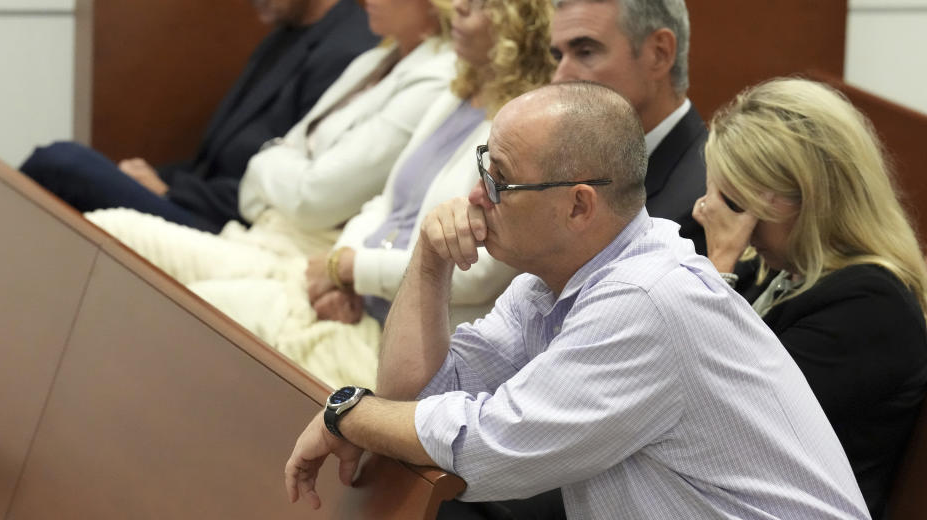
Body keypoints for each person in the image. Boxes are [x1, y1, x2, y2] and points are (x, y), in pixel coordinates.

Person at [283, 81, 871, 520]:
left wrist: (347, 411)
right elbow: (417, 398)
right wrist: (429, 260)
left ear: (579, 206)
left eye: (499, 181)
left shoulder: (646, 300)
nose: (475, 197)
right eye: (483, 168)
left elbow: (488, 449)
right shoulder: (548, 287)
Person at [82, 0, 483, 388]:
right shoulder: (374, 61)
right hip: (262, 237)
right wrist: (282, 167)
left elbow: (317, 198)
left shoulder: (438, 77)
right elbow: (275, 177)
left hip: (294, 258)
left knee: (152, 305)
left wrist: (281, 168)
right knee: (101, 234)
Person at [20, 0, 377, 233]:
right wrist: (153, 179)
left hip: (234, 228)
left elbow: (300, 191)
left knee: (60, 164)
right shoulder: (283, 37)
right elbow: (210, 163)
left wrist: (171, 190)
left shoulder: (351, 56)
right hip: (196, 200)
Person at [304, 0, 590, 329]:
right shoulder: (459, 91)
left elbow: (476, 270)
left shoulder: (533, 132)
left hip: (425, 342)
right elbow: (384, 203)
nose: (457, 4)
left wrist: (353, 269)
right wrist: (340, 273)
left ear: (527, 19)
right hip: (360, 309)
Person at [692, 77, 927, 519]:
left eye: (734, 202)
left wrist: (717, 266)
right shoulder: (772, 273)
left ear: (809, 200)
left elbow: (718, 422)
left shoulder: (872, 307)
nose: (707, 212)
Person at [548, 0, 707, 254]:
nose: (560, 78)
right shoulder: (571, 171)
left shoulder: (705, 202)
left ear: (659, 54)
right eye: (558, 57)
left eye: (585, 51)